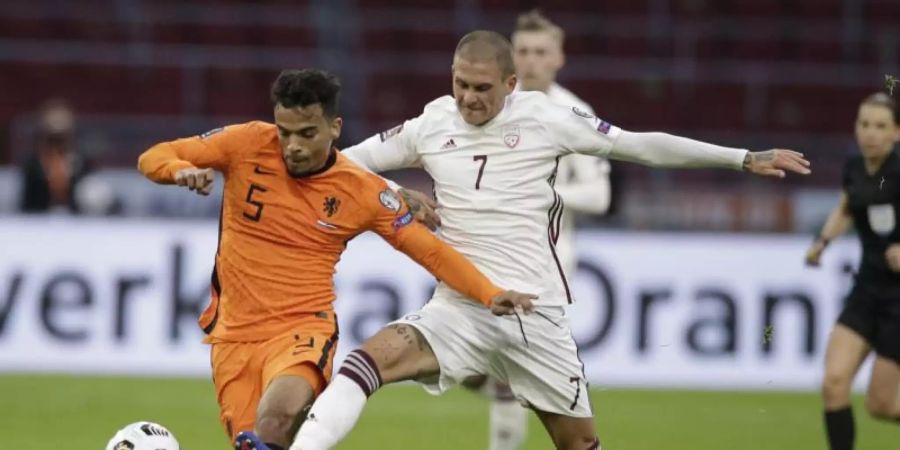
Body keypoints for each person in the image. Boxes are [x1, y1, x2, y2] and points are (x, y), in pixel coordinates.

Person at [233, 31, 808, 450]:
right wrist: (391, 192)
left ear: (511, 83)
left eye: (483, 88)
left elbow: (640, 144)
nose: (469, 99)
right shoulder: (433, 122)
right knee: (364, 364)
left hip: (536, 315)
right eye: (460, 85)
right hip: (459, 306)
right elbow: (346, 163)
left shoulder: (550, 118)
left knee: (578, 443)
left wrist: (741, 158)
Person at [136, 68, 533, 450]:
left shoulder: (362, 191)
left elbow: (430, 251)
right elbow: (155, 155)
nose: (292, 145)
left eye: (307, 133)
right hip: (233, 336)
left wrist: (488, 292)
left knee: (274, 420)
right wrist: (179, 170)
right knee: (255, 441)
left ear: (335, 128)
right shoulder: (246, 143)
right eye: (285, 132)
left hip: (302, 331)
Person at [465, 12, 613, 450]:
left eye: (540, 52)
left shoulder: (573, 114)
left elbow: (600, 196)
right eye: (523, 52)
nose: (530, 62)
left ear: (559, 58)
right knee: (473, 368)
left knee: (514, 382)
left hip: (544, 262)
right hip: (483, 254)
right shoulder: (487, 106)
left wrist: (544, 194)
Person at [805, 92, 900, 450]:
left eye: (880, 126)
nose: (870, 134)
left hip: (898, 303)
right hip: (867, 291)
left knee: (882, 405)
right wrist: (822, 241)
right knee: (833, 383)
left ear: (897, 133)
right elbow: (846, 207)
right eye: (864, 124)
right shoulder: (855, 167)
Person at [19, 99, 90, 213]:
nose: (57, 142)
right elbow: (28, 202)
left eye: (61, 137)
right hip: (37, 221)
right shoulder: (32, 164)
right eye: (54, 137)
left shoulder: (82, 161)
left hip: (76, 223)